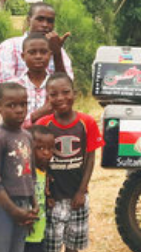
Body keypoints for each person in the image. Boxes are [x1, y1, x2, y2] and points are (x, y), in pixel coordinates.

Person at [36, 73, 104, 252]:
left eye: (65, 92)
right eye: (54, 94)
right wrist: (46, 193)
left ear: (75, 93)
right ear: (47, 97)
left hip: (77, 197)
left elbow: (90, 158)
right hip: (52, 199)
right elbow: (39, 163)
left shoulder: (86, 122)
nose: (60, 98)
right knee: (51, 245)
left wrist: (82, 191)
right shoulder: (44, 124)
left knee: (73, 246)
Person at [0, 82, 38, 252]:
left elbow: (31, 176)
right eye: (11, 105)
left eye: (23, 104)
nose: (19, 110)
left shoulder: (27, 136)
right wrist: (13, 211)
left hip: (23, 206)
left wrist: (33, 205)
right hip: (3, 205)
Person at [0, 2, 72, 85]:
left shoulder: (58, 50)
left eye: (50, 21)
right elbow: (2, 87)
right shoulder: (9, 47)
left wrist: (57, 54)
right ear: (28, 20)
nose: (45, 25)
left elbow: (66, 87)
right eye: (40, 19)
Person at [11, 33, 56, 128]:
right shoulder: (14, 87)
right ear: (23, 56)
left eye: (43, 52)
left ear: (50, 55)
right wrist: (37, 115)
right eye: (32, 52)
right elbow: (10, 124)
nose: (38, 56)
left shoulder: (56, 85)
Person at [25, 125, 56, 252]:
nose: (46, 153)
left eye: (50, 148)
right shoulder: (25, 173)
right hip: (25, 232)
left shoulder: (45, 172)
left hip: (39, 231)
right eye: (40, 148)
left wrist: (48, 198)